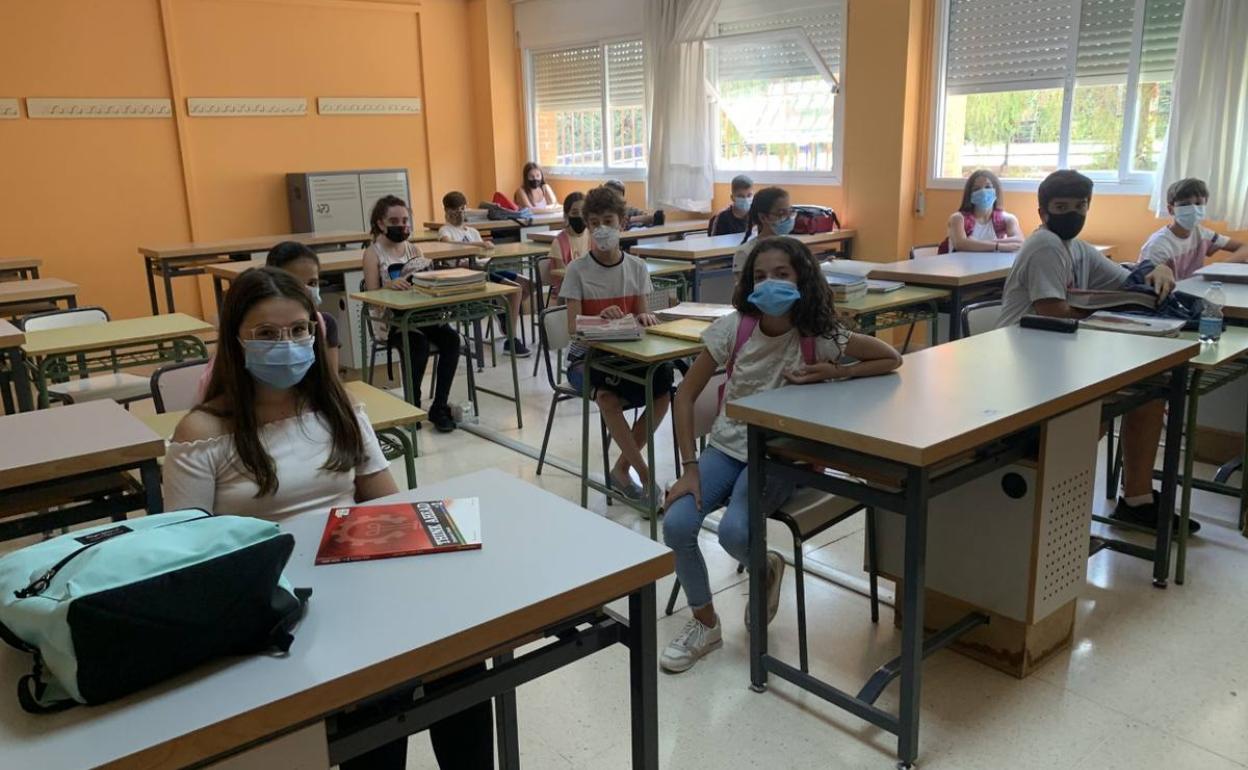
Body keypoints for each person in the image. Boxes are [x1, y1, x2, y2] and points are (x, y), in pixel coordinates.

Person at [163, 267, 492, 770]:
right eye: (267, 334)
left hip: (355, 589)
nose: (287, 345)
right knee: (378, 693)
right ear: (236, 341)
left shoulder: (338, 408)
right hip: (271, 606)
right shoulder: (202, 432)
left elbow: (387, 509)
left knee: (462, 659)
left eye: (299, 330)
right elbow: (186, 557)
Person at [660, 237, 903, 673]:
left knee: (735, 532)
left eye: (781, 274)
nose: (769, 283)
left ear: (802, 279)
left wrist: (834, 371)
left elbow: (890, 358)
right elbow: (685, 395)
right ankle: (705, 623)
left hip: (777, 456)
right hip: (726, 447)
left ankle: (766, 566)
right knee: (677, 524)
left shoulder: (819, 336)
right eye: (760, 276)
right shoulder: (735, 328)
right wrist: (689, 468)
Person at [996, 170, 1192, 534]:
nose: (1072, 214)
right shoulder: (1045, 245)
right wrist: (1109, 314)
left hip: (1059, 359)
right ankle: (1047, 495)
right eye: (1061, 207)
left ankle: (1137, 501)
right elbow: (1052, 310)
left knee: (1150, 391)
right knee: (1100, 406)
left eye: (1080, 206)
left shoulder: (1077, 248)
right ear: (1043, 212)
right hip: (1023, 365)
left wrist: (1158, 268)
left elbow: (1127, 280)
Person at [561, 186, 671, 503]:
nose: (601, 229)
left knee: (663, 389)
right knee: (607, 397)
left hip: (627, 355)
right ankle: (645, 474)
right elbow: (573, 328)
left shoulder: (636, 267)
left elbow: (641, 316)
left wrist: (645, 318)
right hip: (587, 359)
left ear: (622, 222)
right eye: (594, 223)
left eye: (608, 221)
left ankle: (622, 469)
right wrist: (600, 320)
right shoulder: (577, 270)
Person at [192, 242, 341, 403]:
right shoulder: (223, 381)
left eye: (312, 283)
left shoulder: (322, 324)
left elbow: (331, 383)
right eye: (267, 333)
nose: (304, 291)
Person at [363, 194, 459, 432]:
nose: (402, 226)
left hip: (422, 315)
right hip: (393, 322)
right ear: (381, 224)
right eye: (394, 221)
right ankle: (413, 406)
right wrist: (388, 286)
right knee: (418, 346)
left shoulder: (414, 248)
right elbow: (371, 298)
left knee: (452, 339)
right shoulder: (373, 253)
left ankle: (439, 406)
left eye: (405, 220)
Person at [438, 190, 531, 358]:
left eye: (462, 209)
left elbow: (483, 256)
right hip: (469, 274)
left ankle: (504, 315)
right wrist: (479, 245)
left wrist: (484, 247)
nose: (459, 214)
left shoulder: (472, 231)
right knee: (515, 290)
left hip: (485, 267)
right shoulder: (445, 230)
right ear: (446, 211)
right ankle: (511, 340)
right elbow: (448, 245)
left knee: (528, 284)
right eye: (455, 210)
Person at [1139, 177, 1248, 280]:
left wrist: (1221, 267)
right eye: (1185, 204)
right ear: (1171, 209)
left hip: (1194, 288)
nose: (1194, 209)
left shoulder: (1202, 233)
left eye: (1198, 203)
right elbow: (1148, 282)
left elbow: (1244, 247)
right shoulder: (1157, 245)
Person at [940, 169, 1024, 253]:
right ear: (969, 194)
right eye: (976, 189)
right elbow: (960, 244)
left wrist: (975, 243)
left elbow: (1020, 241)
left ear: (996, 191)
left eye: (988, 187)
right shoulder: (957, 218)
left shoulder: (1008, 219)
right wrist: (998, 246)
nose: (983, 192)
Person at [732, 186, 793, 275]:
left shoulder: (793, 247)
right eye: (781, 213)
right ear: (763, 217)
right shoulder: (745, 252)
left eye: (790, 212)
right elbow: (742, 283)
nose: (788, 218)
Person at [547, 191, 588, 301]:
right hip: (567, 293)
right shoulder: (559, 242)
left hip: (590, 287)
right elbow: (562, 275)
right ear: (566, 215)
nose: (580, 216)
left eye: (583, 212)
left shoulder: (592, 237)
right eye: (575, 213)